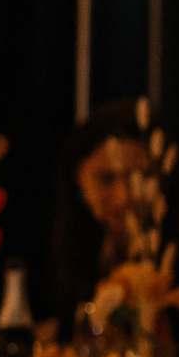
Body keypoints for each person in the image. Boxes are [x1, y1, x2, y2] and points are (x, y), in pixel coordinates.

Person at [45, 99, 150, 328]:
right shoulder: (56, 248)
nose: (124, 197)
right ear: (78, 178)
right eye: (106, 179)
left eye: (139, 178)